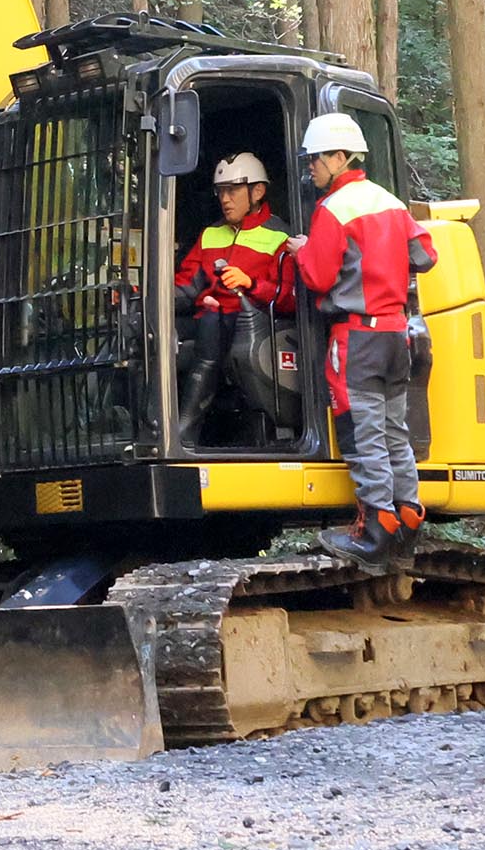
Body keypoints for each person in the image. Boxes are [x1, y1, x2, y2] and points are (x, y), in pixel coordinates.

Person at [289, 111, 435, 571]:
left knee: (364, 435)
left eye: (316, 158)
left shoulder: (332, 210)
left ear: (339, 157)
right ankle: (407, 517)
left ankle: (374, 531)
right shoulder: (390, 201)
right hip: (396, 333)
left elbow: (317, 275)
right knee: (396, 433)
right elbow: (426, 256)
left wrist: (300, 251)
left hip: (357, 338)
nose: (311, 166)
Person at [173, 152, 292, 443]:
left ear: (258, 191)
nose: (224, 199)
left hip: (250, 321)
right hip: (208, 318)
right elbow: (187, 286)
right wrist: (145, 298)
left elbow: (288, 297)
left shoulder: (280, 237)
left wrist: (250, 283)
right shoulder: (211, 234)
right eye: (220, 191)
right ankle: (146, 424)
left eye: (233, 190)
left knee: (211, 324)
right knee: (151, 330)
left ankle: (183, 434)